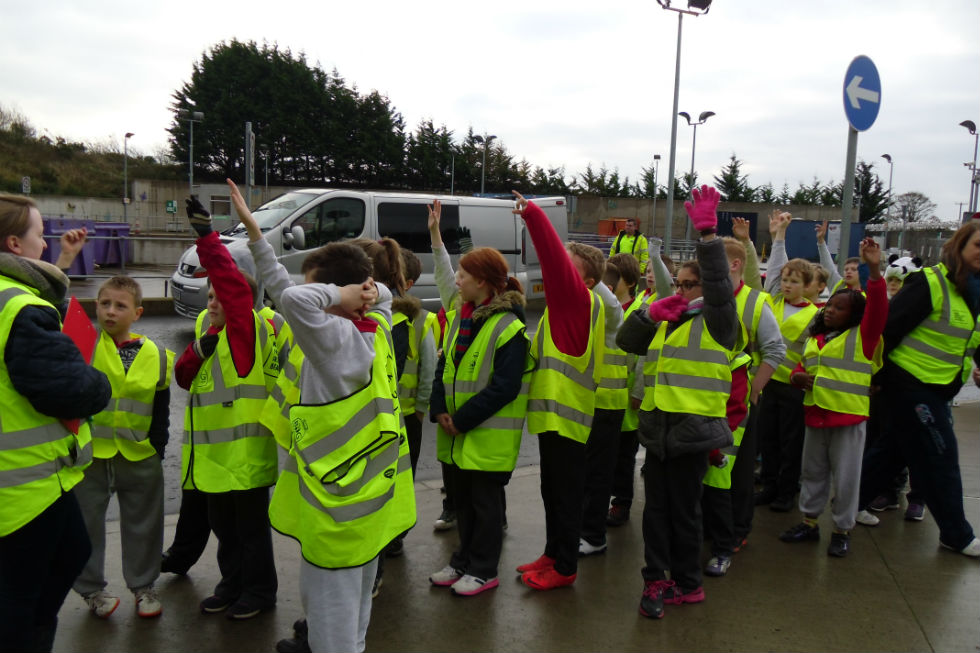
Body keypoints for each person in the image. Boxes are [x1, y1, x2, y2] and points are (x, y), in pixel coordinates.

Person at [230, 179, 415, 652]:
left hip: (337, 511)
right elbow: (288, 290)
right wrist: (255, 234)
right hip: (368, 502)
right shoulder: (378, 324)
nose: (312, 296)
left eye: (323, 290)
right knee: (352, 620)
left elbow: (292, 300)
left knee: (335, 629)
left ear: (341, 294)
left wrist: (335, 293)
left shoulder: (336, 341)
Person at [616, 185, 740, 620]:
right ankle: (662, 580)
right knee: (657, 514)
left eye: (692, 285)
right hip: (659, 431)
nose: (685, 291)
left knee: (683, 515)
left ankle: (682, 583)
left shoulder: (721, 321)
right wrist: (650, 313)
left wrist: (708, 237)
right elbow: (626, 341)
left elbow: (722, 288)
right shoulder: (669, 316)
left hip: (692, 432)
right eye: (682, 284)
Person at [0, 193, 110, 653]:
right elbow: (69, 389)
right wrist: (99, 383)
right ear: (14, 244)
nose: (45, 244)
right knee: (21, 602)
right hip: (24, 491)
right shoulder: (20, 308)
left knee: (71, 554)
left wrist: (65, 259)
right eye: (38, 235)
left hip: (35, 484)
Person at [175, 196, 280, 620]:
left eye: (221, 296)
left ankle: (259, 592)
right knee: (224, 531)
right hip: (213, 462)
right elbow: (184, 379)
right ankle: (231, 584)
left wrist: (207, 239)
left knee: (250, 533)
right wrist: (197, 352)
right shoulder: (206, 328)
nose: (213, 301)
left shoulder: (247, 329)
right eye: (210, 295)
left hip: (245, 459)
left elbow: (235, 291)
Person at [425, 199, 532, 596]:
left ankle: (484, 569)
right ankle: (462, 562)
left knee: (486, 509)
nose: (457, 281)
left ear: (484, 282)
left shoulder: (509, 327)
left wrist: (461, 419)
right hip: (457, 434)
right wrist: (439, 409)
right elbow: (444, 366)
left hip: (484, 438)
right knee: (465, 505)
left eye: (465, 275)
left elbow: (504, 387)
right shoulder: (462, 315)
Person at [858, 221, 980, 558]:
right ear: (960, 246)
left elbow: (972, 338)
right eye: (978, 245)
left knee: (893, 451)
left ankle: (851, 503)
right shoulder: (930, 282)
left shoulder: (976, 290)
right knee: (941, 456)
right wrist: (877, 379)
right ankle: (956, 534)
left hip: (940, 387)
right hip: (910, 384)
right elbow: (888, 330)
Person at [512, 191, 609, 591]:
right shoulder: (564, 305)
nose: (558, 271)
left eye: (569, 268)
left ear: (585, 279)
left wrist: (534, 216)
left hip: (568, 417)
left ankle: (565, 567)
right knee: (552, 490)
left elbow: (551, 262)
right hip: (556, 417)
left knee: (566, 496)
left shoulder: (577, 299)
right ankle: (553, 554)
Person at [72, 276, 173, 619]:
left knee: (144, 525)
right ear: (95, 306)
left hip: (139, 455)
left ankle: (143, 588)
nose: (110, 312)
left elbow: (161, 407)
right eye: (104, 304)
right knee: (85, 525)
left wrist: (158, 447)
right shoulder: (82, 345)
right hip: (91, 457)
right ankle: (92, 591)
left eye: (120, 306)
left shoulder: (156, 353)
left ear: (138, 313)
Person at [779, 238, 887, 557]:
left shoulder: (864, 337)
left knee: (847, 478)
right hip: (816, 416)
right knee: (812, 472)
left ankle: (842, 529)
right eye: (830, 306)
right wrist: (798, 377)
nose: (830, 312)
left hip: (847, 419)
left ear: (855, 315)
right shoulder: (817, 338)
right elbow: (803, 366)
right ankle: (810, 523)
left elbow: (879, 307)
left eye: (840, 309)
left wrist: (875, 268)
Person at [700, 236, 785, 573]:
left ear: (734, 265)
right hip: (707, 396)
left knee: (735, 471)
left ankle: (737, 531)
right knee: (713, 471)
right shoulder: (703, 298)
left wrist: (754, 390)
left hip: (739, 401)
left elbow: (775, 350)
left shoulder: (754, 302)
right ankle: (714, 526)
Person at [756, 210, 819, 512]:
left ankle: (785, 490)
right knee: (768, 439)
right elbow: (777, 263)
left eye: (794, 281)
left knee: (790, 444)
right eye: (785, 279)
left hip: (793, 389)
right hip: (769, 384)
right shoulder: (774, 301)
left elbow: (814, 354)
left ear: (808, 285)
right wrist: (778, 235)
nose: (787, 284)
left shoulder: (814, 315)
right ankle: (769, 485)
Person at [608, 241, 673, 526]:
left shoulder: (651, 305)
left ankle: (622, 502)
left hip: (631, 391)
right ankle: (611, 498)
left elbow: (646, 355)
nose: (650, 275)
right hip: (611, 390)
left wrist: (638, 391)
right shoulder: (627, 304)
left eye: (652, 271)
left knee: (624, 454)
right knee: (610, 453)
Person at [579, 253, 635, 556]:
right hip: (587, 404)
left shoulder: (613, 316)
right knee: (586, 472)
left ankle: (593, 535)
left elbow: (611, 305)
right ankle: (585, 528)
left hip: (608, 405)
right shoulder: (590, 310)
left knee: (599, 473)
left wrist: (593, 278)